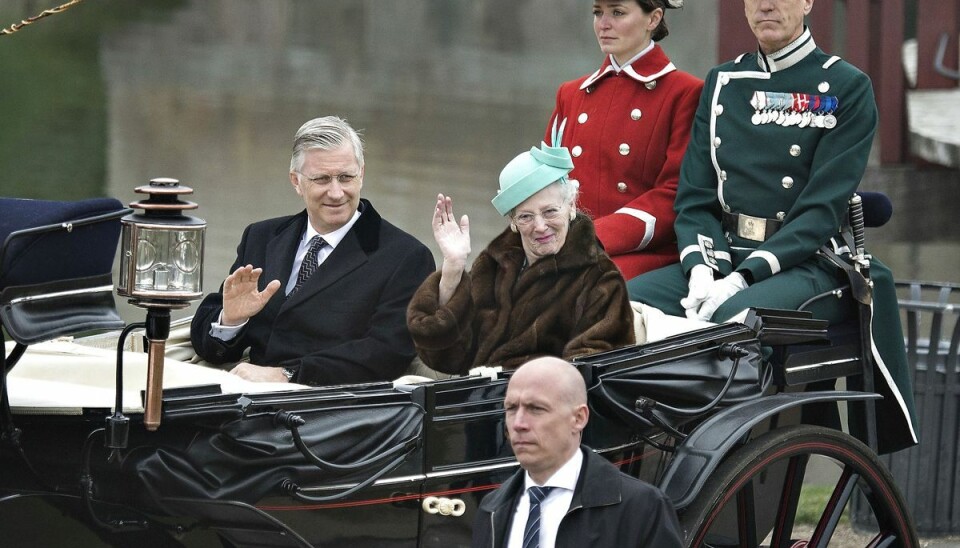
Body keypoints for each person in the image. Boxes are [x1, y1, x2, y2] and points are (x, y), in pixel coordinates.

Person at [628, 0, 917, 453]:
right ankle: (635, 450)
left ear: (806, 2)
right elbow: (696, 199)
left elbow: (819, 212)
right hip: (722, 254)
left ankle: (711, 463)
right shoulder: (723, 82)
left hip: (805, 262)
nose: (765, 5)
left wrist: (743, 278)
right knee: (619, 305)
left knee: (732, 326)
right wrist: (704, 269)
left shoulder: (846, 85)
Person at [190, 116, 435, 385]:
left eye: (345, 177)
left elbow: (386, 353)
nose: (336, 192)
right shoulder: (261, 236)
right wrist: (232, 320)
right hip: (242, 398)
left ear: (361, 174)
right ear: (296, 182)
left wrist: (286, 375)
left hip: (328, 410)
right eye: (321, 179)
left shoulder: (406, 257)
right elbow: (208, 343)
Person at [406, 134, 634, 375]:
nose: (540, 226)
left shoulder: (601, 280)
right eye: (526, 216)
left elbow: (592, 373)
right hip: (475, 399)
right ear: (513, 222)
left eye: (550, 212)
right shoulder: (494, 265)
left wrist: (506, 384)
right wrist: (453, 268)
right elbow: (445, 358)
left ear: (571, 207)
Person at [545, 0, 702, 280]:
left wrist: (594, 238)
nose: (603, 24)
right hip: (565, 245)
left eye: (617, 13)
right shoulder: (571, 94)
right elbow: (545, 180)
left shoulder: (685, 93)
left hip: (639, 254)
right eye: (598, 13)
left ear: (653, 19)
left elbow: (674, 194)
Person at [471, 357, 683, 548]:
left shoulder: (642, 508)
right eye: (511, 408)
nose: (518, 424)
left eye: (536, 408)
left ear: (579, 418)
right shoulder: (491, 509)